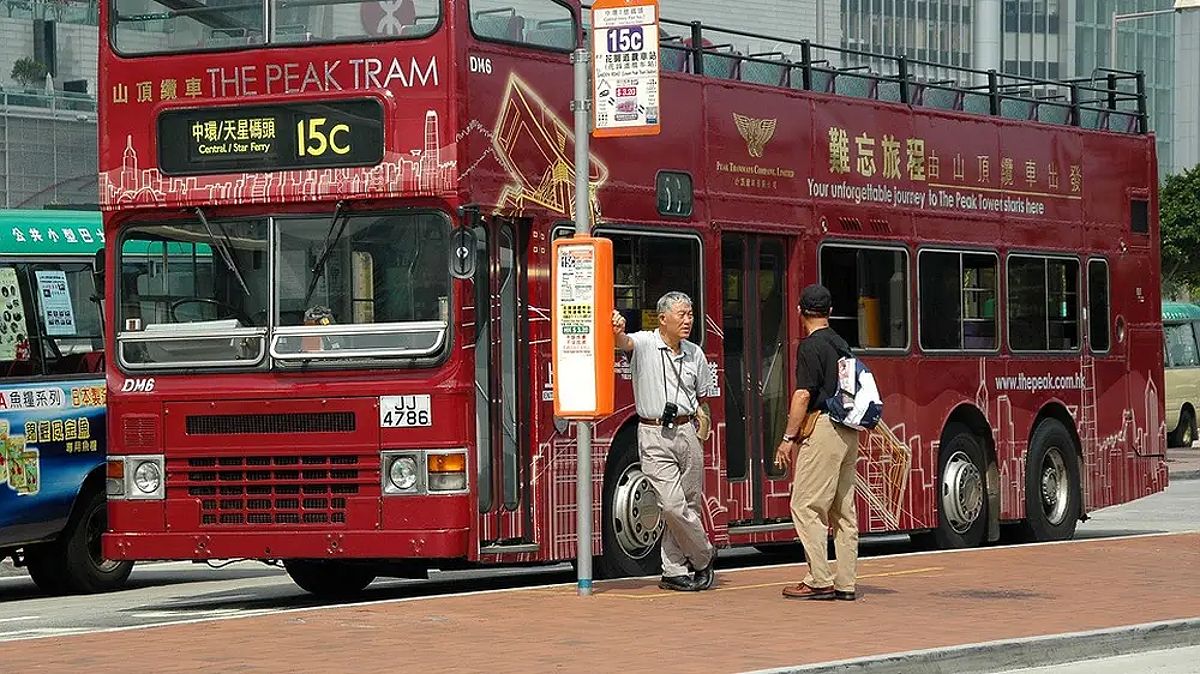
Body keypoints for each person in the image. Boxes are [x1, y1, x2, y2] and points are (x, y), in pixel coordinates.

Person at [612, 291, 716, 592]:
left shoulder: (695, 353)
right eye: (682, 314)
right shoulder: (645, 343)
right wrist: (617, 330)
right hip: (654, 432)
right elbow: (624, 343)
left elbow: (703, 399)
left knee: (690, 505)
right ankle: (704, 554)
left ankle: (674, 570)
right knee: (671, 505)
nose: (688, 320)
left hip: (688, 431)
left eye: (690, 314)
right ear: (663, 319)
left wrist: (702, 431)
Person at [773, 284, 860, 601]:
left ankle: (819, 578)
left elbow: (803, 394)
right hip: (849, 429)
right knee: (843, 511)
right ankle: (846, 582)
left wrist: (787, 438)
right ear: (830, 311)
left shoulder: (810, 347)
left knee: (805, 504)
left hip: (822, 428)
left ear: (800, 312)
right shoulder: (841, 343)